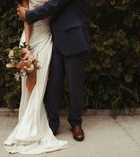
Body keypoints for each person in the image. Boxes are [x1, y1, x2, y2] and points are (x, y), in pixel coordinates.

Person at [17, 0, 90, 141]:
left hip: (73, 36)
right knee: (54, 83)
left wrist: (30, 14)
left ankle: (76, 123)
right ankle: (52, 123)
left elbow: (55, 4)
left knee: (75, 85)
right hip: (54, 38)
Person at [4, 0, 68, 154]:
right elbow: (27, 19)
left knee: (41, 84)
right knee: (30, 85)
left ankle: (38, 121)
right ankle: (28, 122)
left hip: (47, 39)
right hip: (30, 39)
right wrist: (26, 46)